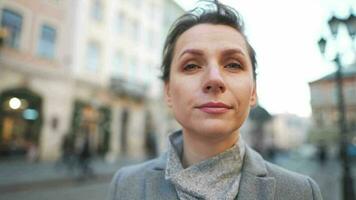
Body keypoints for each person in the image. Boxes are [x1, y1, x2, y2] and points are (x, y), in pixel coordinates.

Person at [108, 1, 322, 199]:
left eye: (233, 65)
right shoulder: (125, 185)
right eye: (191, 65)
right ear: (168, 92)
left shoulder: (301, 192)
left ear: (253, 92)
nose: (214, 79)